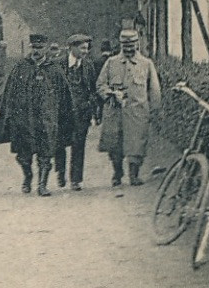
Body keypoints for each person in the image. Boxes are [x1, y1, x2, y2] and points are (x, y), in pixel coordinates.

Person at [0, 33, 67, 196]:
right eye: (34, 47)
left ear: (46, 48)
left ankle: (42, 184)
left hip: (47, 118)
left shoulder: (54, 69)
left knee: (45, 153)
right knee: (23, 155)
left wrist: (62, 117)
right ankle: (28, 176)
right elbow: (10, 92)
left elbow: (64, 95)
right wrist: (11, 115)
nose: (36, 51)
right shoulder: (21, 67)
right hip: (25, 118)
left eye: (40, 48)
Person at [96, 27, 162, 186]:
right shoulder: (111, 63)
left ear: (137, 44)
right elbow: (100, 84)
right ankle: (117, 173)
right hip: (115, 112)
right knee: (115, 146)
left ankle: (134, 175)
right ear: (120, 45)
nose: (129, 47)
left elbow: (154, 89)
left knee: (136, 145)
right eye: (125, 44)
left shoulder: (146, 64)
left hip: (137, 113)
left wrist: (155, 111)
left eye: (132, 44)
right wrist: (110, 94)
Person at [54, 34, 99, 191]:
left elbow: (93, 90)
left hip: (81, 113)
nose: (85, 51)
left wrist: (94, 112)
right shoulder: (58, 64)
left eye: (87, 48)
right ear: (72, 48)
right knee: (59, 144)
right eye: (82, 48)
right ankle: (60, 171)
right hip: (62, 113)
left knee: (79, 144)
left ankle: (76, 180)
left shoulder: (88, 65)